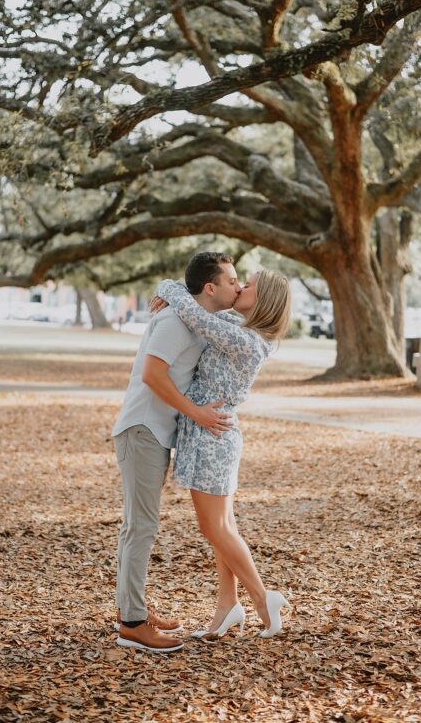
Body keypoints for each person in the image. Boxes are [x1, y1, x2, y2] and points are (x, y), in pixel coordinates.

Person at [151, 267, 293, 639]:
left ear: (263, 300)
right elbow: (203, 307)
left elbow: (195, 314)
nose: (241, 288)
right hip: (211, 431)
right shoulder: (239, 327)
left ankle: (263, 599)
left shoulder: (247, 340)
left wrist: (168, 287)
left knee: (213, 527)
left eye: (249, 286)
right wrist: (177, 291)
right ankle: (228, 605)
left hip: (212, 436)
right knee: (223, 528)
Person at [110, 251, 237, 653]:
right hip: (142, 428)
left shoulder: (195, 317)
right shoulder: (175, 319)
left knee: (139, 525)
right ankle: (132, 623)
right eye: (232, 280)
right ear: (210, 287)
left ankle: (134, 609)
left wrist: (168, 288)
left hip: (155, 433)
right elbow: (151, 374)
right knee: (140, 527)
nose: (238, 286)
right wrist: (196, 413)